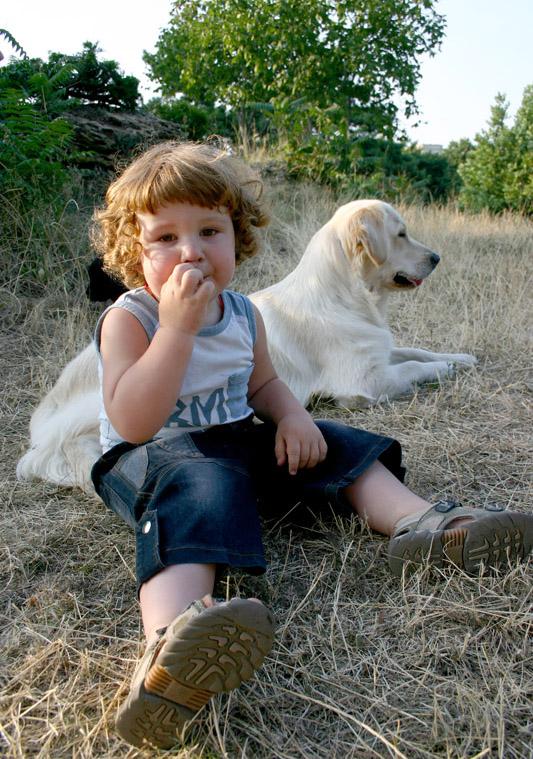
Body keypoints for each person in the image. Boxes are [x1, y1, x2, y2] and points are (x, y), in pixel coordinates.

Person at [90, 141, 533, 750]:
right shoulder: (131, 319)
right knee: (199, 484)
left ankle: (425, 527)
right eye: (164, 238)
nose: (190, 251)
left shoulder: (244, 313)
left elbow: (263, 383)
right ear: (131, 249)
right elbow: (134, 420)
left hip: (235, 443)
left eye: (209, 231)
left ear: (236, 239)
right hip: (154, 456)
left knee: (336, 441)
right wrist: (175, 330)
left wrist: (295, 416)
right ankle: (169, 647)